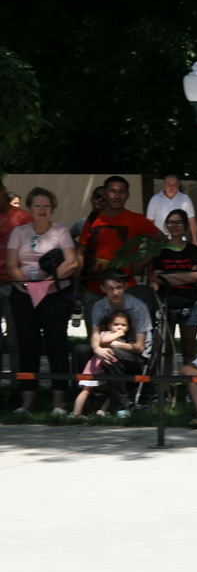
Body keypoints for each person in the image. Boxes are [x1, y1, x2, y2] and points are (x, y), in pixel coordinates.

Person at [7, 187, 77, 414]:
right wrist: (28, 285)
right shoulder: (19, 232)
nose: (42, 210)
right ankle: (27, 402)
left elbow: (71, 262)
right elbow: (11, 265)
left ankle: (59, 403)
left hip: (55, 294)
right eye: (37, 205)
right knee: (28, 346)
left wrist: (48, 283)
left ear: (53, 208)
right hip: (24, 295)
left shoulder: (61, 232)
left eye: (46, 205)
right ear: (30, 208)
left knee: (56, 345)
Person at [77, 175, 164, 333]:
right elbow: (81, 251)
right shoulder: (92, 219)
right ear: (105, 193)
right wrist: (78, 285)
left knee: (124, 339)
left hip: (124, 291)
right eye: (112, 191)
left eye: (121, 192)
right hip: (94, 289)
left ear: (127, 195)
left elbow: (162, 240)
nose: (117, 196)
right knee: (95, 341)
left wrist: (142, 261)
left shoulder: (136, 219)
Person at [71, 270, 153, 417]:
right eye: (110, 288)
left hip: (135, 355)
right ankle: (83, 404)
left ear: (126, 286)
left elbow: (140, 347)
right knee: (80, 350)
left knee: (112, 353)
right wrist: (97, 349)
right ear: (102, 289)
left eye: (119, 287)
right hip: (106, 348)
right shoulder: (99, 306)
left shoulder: (139, 307)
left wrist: (114, 345)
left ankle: (120, 406)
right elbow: (95, 336)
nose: (115, 292)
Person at [149, 209, 197, 370]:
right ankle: (165, 391)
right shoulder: (161, 250)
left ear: (186, 225)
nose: (174, 226)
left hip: (190, 302)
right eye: (170, 222)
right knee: (167, 349)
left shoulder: (193, 250)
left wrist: (169, 277)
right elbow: (157, 277)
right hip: (166, 302)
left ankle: (190, 391)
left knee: (189, 350)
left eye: (178, 222)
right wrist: (185, 275)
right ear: (166, 226)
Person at [72, 310, 141, 417]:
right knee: (86, 389)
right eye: (116, 324)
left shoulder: (124, 340)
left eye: (123, 325)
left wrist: (127, 344)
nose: (119, 327)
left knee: (114, 392)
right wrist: (118, 334)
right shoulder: (107, 333)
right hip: (96, 367)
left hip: (108, 369)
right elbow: (103, 341)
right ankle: (76, 413)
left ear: (128, 327)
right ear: (109, 325)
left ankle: (102, 411)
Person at [0, 178, 32, 381]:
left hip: (14, 285)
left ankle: (18, 387)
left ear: (3, 190)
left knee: (16, 339)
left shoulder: (22, 218)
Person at [146, 175, 197, 246]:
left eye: (174, 184)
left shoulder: (185, 199)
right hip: (159, 239)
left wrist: (195, 239)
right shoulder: (155, 199)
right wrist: (150, 241)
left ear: (178, 185)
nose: (171, 186)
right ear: (164, 184)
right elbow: (150, 222)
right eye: (169, 184)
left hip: (179, 239)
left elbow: (191, 220)